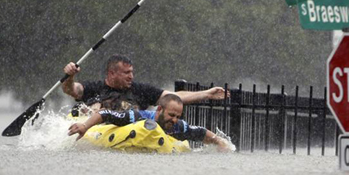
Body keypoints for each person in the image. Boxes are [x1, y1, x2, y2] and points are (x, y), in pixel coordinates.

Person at [62, 54, 227, 112]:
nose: (131, 76)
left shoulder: (140, 90)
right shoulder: (94, 88)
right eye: (127, 73)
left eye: (132, 72)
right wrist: (69, 76)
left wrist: (206, 94)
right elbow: (71, 90)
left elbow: (173, 97)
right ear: (112, 73)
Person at [67, 94, 231, 151]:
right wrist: (85, 126)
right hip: (112, 132)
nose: (174, 120)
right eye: (171, 115)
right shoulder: (137, 116)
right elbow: (106, 114)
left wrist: (220, 142)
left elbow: (200, 132)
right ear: (159, 110)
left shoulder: (177, 126)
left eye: (178, 116)